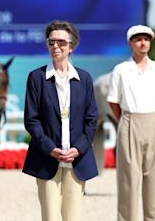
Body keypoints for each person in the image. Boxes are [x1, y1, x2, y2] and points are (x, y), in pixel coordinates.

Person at [23, 20, 98, 221]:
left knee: (72, 217)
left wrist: (79, 148)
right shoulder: (36, 78)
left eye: (61, 42)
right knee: (50, 217)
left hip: (77, 160)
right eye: (51, 42)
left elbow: (91, 120)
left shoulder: (85, 79)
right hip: (47, 159)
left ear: (71, 47)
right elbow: (32, 120)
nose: (55, 46)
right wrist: (50, 148)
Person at [107, 25, 155, 221]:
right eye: (138, 39)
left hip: (153, 122)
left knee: (153, 180)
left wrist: (150, 117)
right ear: (130, 43)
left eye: (146, 39)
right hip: (129, 122)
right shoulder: (121, 70)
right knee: (128, 182)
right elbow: (113, 102)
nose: (143, 42)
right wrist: (128, 121)